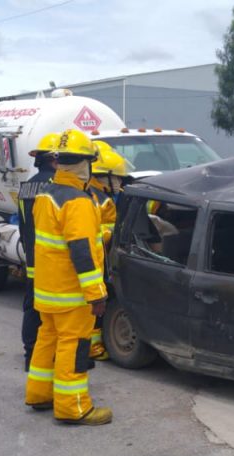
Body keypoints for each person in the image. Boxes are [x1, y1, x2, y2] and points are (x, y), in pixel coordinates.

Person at [25, 129, 112, 426]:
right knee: (73, 347)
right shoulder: (78, 202)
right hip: (72, 295)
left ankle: (39, 394)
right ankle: (73, 407)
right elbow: (82, 252)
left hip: (47, 291)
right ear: (86, 165)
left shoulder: (46, 195)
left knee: (46, 341)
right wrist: (96, 293)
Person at [85, 141, 132, 360]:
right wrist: (114, 231)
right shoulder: (98, 200)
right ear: (105, 177)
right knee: (93, 305)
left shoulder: (99, 194)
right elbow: (95, 231)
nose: (121, 182)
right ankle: (93, 347)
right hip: (95, 260)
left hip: (96, 258)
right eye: (118, 178)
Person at [18, 133, 59, 370]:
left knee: (32, 305)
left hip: (32, 258)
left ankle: (30, 354)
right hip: (52, 259)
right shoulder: (57, 188)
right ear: (55, 160)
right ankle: (49, 355)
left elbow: (23, 223)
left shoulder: (27, 186)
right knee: (55, 310)